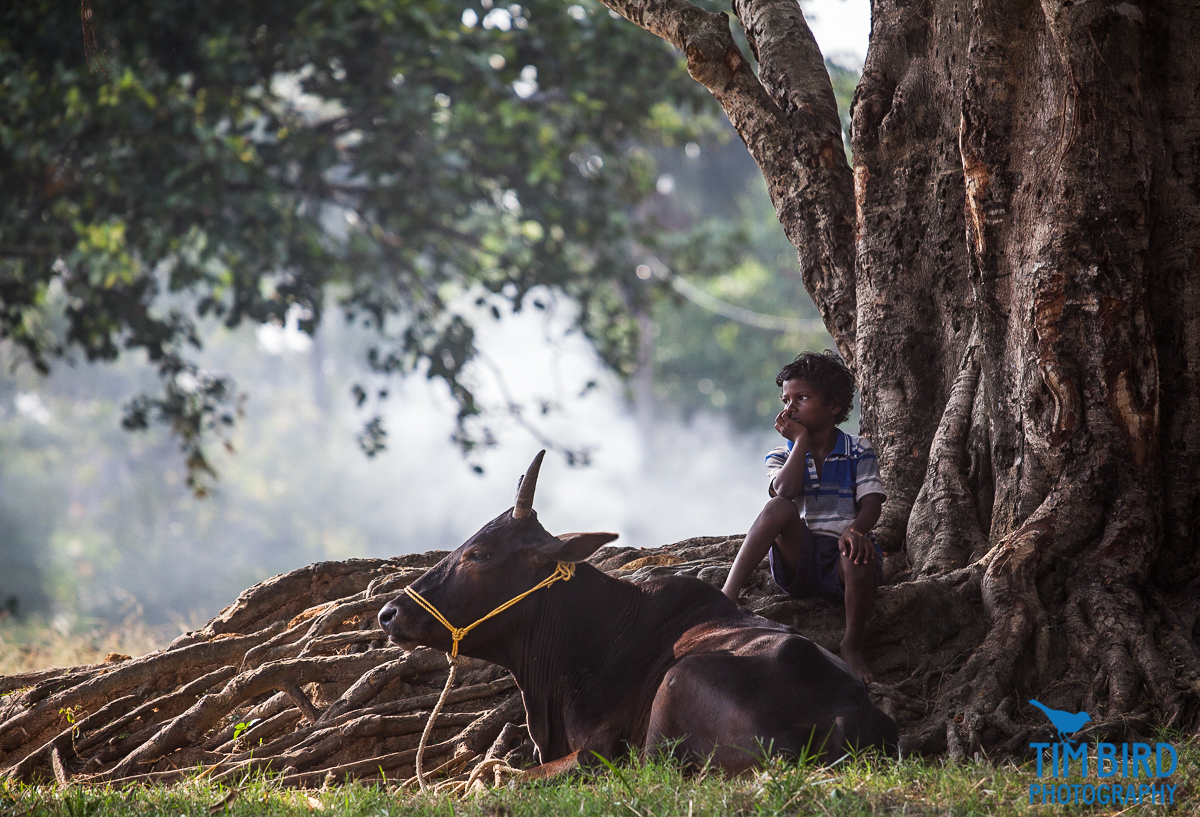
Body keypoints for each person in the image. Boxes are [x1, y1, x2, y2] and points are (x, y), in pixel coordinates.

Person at [722, 351, 886, 682]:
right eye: (786, 400)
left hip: (843, 558)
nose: (790, 409)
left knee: (857, 553)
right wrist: (800, 441)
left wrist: (855, 531)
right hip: (800, 559)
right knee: (778, 508)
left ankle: (852, 644)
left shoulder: (858, 450)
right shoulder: (779, 456)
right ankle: (725, 597)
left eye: (802, 398)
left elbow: (872, 503)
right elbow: (784, 491)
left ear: (834, 405)